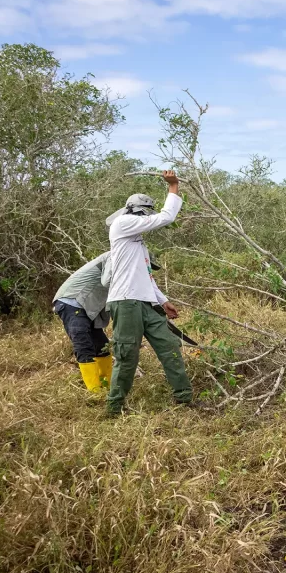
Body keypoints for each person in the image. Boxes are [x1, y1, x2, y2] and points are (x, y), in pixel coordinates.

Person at [104, 170, 193, 417]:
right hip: (125, 302)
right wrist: (173, 187)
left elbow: (146, 276)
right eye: (145, 214)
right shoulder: (123, 224)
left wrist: (163, 301)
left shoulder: (138, 242)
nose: (146, 218)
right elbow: (166, 217)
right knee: (127, 356)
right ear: (135, 212)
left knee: (170, 346)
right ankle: (114, 408)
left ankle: (185, 400)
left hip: (146, 304)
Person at [52, 252, 112, 391]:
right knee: (83, 344)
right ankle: (95, 392)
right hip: (73, 301)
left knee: (102, 345)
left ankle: (107, 386)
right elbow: (108, 281)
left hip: (87, 306)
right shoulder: (116, 255)